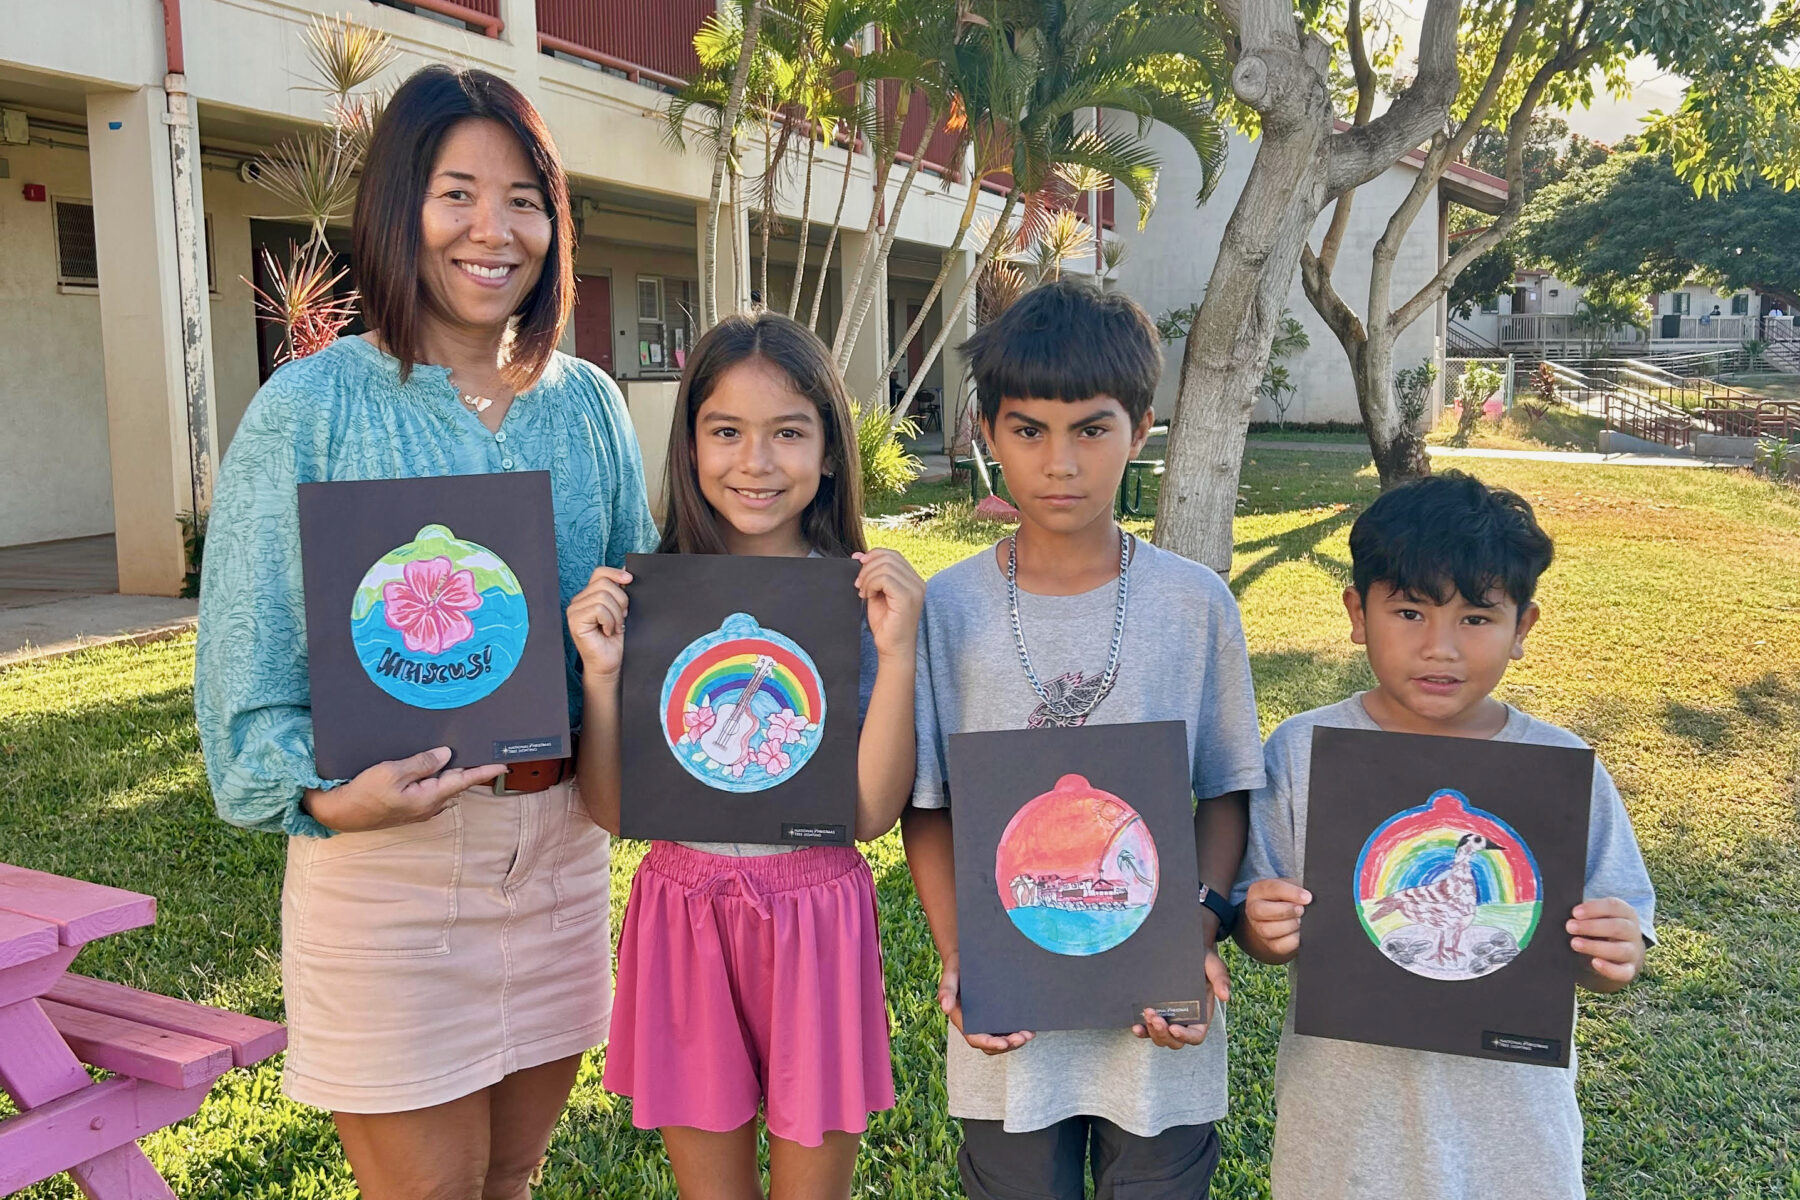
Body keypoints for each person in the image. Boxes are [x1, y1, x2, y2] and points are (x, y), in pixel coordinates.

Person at [194, 66, 657, 1200]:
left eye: (524, 200)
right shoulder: (311, 409)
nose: (493, 231)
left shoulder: (589, 403)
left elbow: (644, 611)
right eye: (458, 194)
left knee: (514, 1178)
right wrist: (328, 800)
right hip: (390, 869)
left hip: (560, 854)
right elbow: (247, 683)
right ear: (400, 208)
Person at [902, 279, 1265, 1200]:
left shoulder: (1194, 604)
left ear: (1140, 431)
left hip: (1157, 1024)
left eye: (1091, 429)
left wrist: (1192, 933)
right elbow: (929, 805)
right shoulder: (949, 610)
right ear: (988, 434)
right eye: (1029, 430)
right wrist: (961, 956)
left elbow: (1225, 791)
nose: (1059, 463)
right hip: (1012, 1024)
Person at [567, 309, 924, 1199]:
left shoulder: (860, 600)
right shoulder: (647, 598)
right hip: (681, 913)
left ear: (830, 452)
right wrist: (604, 677)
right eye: (726, 431)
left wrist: (897, 656)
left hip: (817, 914)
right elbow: (611, 810)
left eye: (788, 433)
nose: (755, 462)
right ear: (690, 446)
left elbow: (870, 815)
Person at [1234, 471, 1656, 1200]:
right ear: (1357, 614)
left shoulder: (1560, 768)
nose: (1440, 648)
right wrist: (1261, 927)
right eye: (1408, 612)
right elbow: (1255, 920)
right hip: (1346, 1132)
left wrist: (1614, 951)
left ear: (1522, 628)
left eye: (1476, 619)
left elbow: (1612, 941)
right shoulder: (1300, 752)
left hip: (1512, 1137)